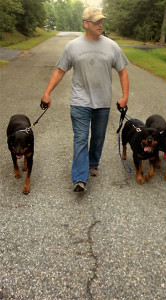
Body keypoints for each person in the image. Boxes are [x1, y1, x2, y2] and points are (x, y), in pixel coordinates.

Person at [40, 7, 129, 192]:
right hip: (80, 102)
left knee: (98, 137)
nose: (100, 24)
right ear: (85, 23)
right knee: (80, 139)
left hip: (103, 102)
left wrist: (125, 96)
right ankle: (80, 178)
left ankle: (93, 163)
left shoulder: (112, 46)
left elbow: (122, 71)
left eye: (101, 21)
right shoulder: (73, 46)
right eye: (96, 22)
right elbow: (60, 70)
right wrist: (47, 92)